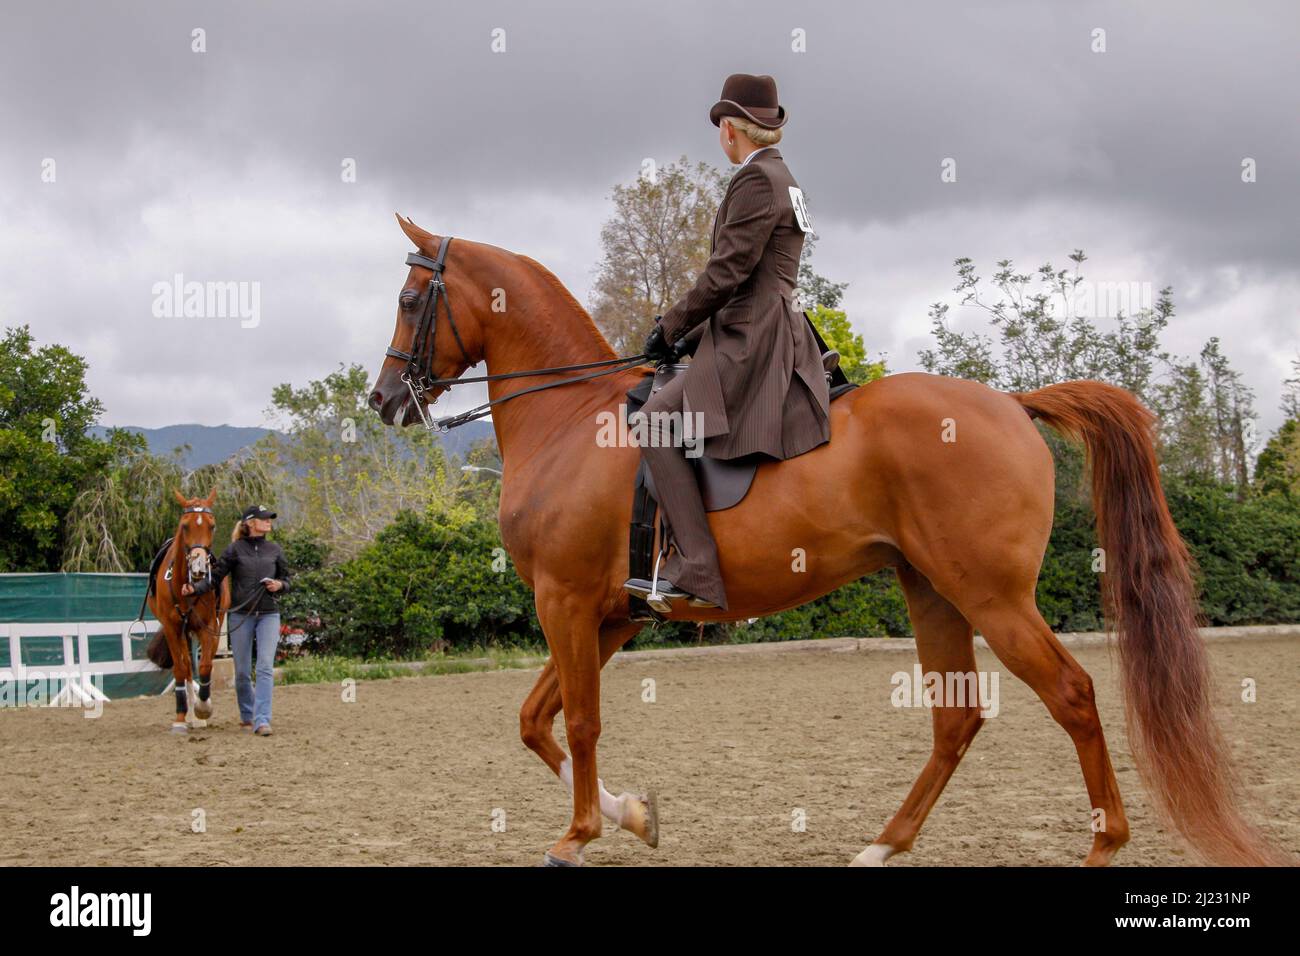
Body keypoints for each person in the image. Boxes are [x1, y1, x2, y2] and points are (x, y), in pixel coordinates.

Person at [624, 73, 831, 613]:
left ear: (731, 130)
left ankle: (696, 564)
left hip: (752, 339)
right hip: (769, 322)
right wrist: (683, 339)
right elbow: (750, 277)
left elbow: (726, 274)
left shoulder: (757, 181)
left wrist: (668, 327)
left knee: (653, 421)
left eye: (721, 126)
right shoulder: (784, 178)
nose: (720, 135)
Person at [183, 504, 290, 735]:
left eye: (270, 518)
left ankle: (262, 720)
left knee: (264, 668)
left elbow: (287, 579)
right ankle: (247, 716)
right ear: (251, 523)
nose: (269, 521)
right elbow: (215, 578)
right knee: (242, 672)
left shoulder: (275, 550)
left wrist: (279, 585)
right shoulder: (234, 550)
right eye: (264, 519)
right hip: (242, 616)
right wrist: (194, 588)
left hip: (269, 615)